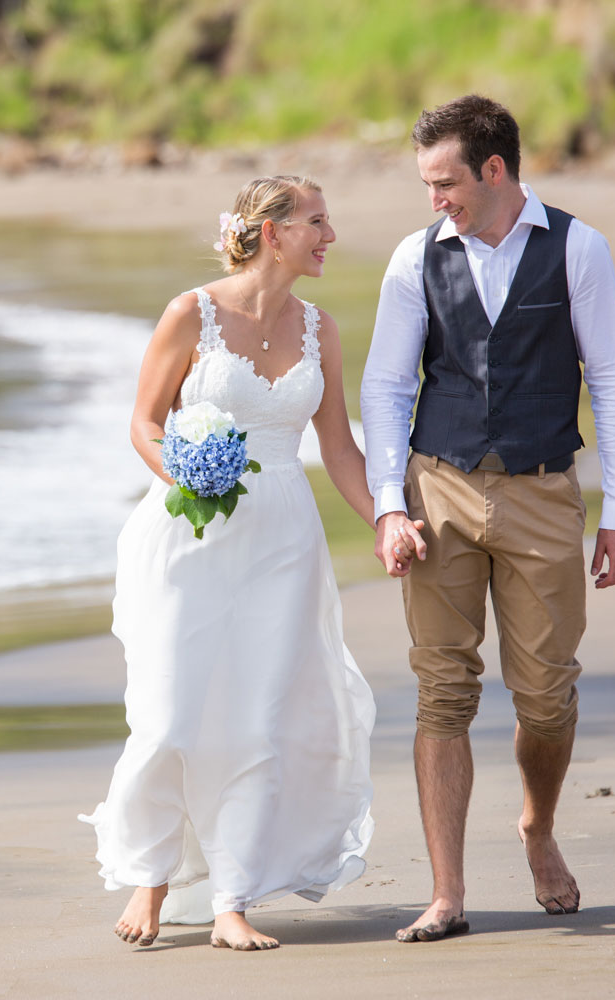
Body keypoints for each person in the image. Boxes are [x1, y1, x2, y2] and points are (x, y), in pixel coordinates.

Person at [82, 175, 417, 951]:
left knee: (256, 718)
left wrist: (388, 520)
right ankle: (153, 877)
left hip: (282, 541)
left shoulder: (321, 330)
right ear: (272, 232)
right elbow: (144, 421)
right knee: (171, 713)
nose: (330, 236)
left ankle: (232, 899)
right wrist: (185, 474)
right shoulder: (190, 314)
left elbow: (337, 448)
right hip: (188, 536)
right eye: (317, 222)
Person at [360, 95, 615, 943]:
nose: (433, 198)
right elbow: (383, 388)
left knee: (547, 696)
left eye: (445, 181)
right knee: (442, 689)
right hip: (437, 488)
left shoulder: (577, 248)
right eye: (425, 183)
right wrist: (386, 505)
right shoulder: (413, 260)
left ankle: (538, 825)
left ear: (494, 170)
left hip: (542, 493)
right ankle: (447, 893)